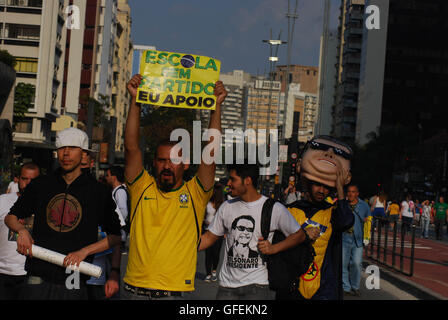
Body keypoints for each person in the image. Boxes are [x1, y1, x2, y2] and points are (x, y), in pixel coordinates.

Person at [122, 74, 227, 300]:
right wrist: (135, 100)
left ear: (186, 163)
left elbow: (211, 154)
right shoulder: (141, 187)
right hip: (134, 292)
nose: (167, 166)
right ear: (154, 163)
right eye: (161, 160)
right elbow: (131, 147)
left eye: (173, 160)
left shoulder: (195, 193)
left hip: (173, 294)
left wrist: (216, 108)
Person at [4, 127, 122, 300]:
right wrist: (21, 231)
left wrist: (85, 252)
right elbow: (11, 217)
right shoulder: (41, 184)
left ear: (83, 154)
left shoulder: (98, 192)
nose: (66, 153)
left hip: (74, 278)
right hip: (37, 275)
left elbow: (116, 236)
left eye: (72, 148)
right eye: (61, 148)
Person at [199, 162, 319, 300]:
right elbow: (209, 237)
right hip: (227, 287)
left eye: (233, 179)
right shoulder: (227, 207)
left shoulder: (274, 208)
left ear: (248, 181)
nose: (229, 184)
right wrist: (183, 248)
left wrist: (274, 248)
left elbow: (299, 235)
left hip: (257, 288)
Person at [284, 135, 354, 300]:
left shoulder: (332, 213)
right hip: (293, 285)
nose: (321, 190)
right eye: (317, 184)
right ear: (308, 183)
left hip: (324, 288)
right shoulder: (291, 210)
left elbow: (346, 221)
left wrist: (340, 188)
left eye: (326, 186)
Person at [0, 163, 40, 299]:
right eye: (24, 179)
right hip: (2, 272)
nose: (28, 184)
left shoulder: (45, 205)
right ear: (17, 179)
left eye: (33, 180)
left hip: (31, 274)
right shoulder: (2, 201)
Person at [341, 183, 370, 297]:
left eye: (353, 192)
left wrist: (367, 236)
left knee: (357, 263)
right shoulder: (343, 204)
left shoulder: (364, 206)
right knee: (343, 264)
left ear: (357, 193)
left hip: (358, 238)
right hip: (344, 237)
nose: (350, 194)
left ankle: (355, 286)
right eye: (349, 191)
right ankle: (345, 287)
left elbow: (368, 221)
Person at [203, 184, 225, 282]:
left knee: (216, 254)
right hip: (207, 231)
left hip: (218, 233)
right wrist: (205, 221)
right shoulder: (207, 203)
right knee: (208, 254)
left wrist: (225, 232)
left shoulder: (222, 205)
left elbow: (225, 219)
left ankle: (214, 271)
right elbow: (202, 216)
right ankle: (208, 274)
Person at [105, 165, 129, 247]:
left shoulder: (120, 192)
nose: (106, 178)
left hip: (119, 235)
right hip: (116, 234)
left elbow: (123, 211)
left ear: (114, 177)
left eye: (108, 175)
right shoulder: (116, 191)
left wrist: (114, 225)